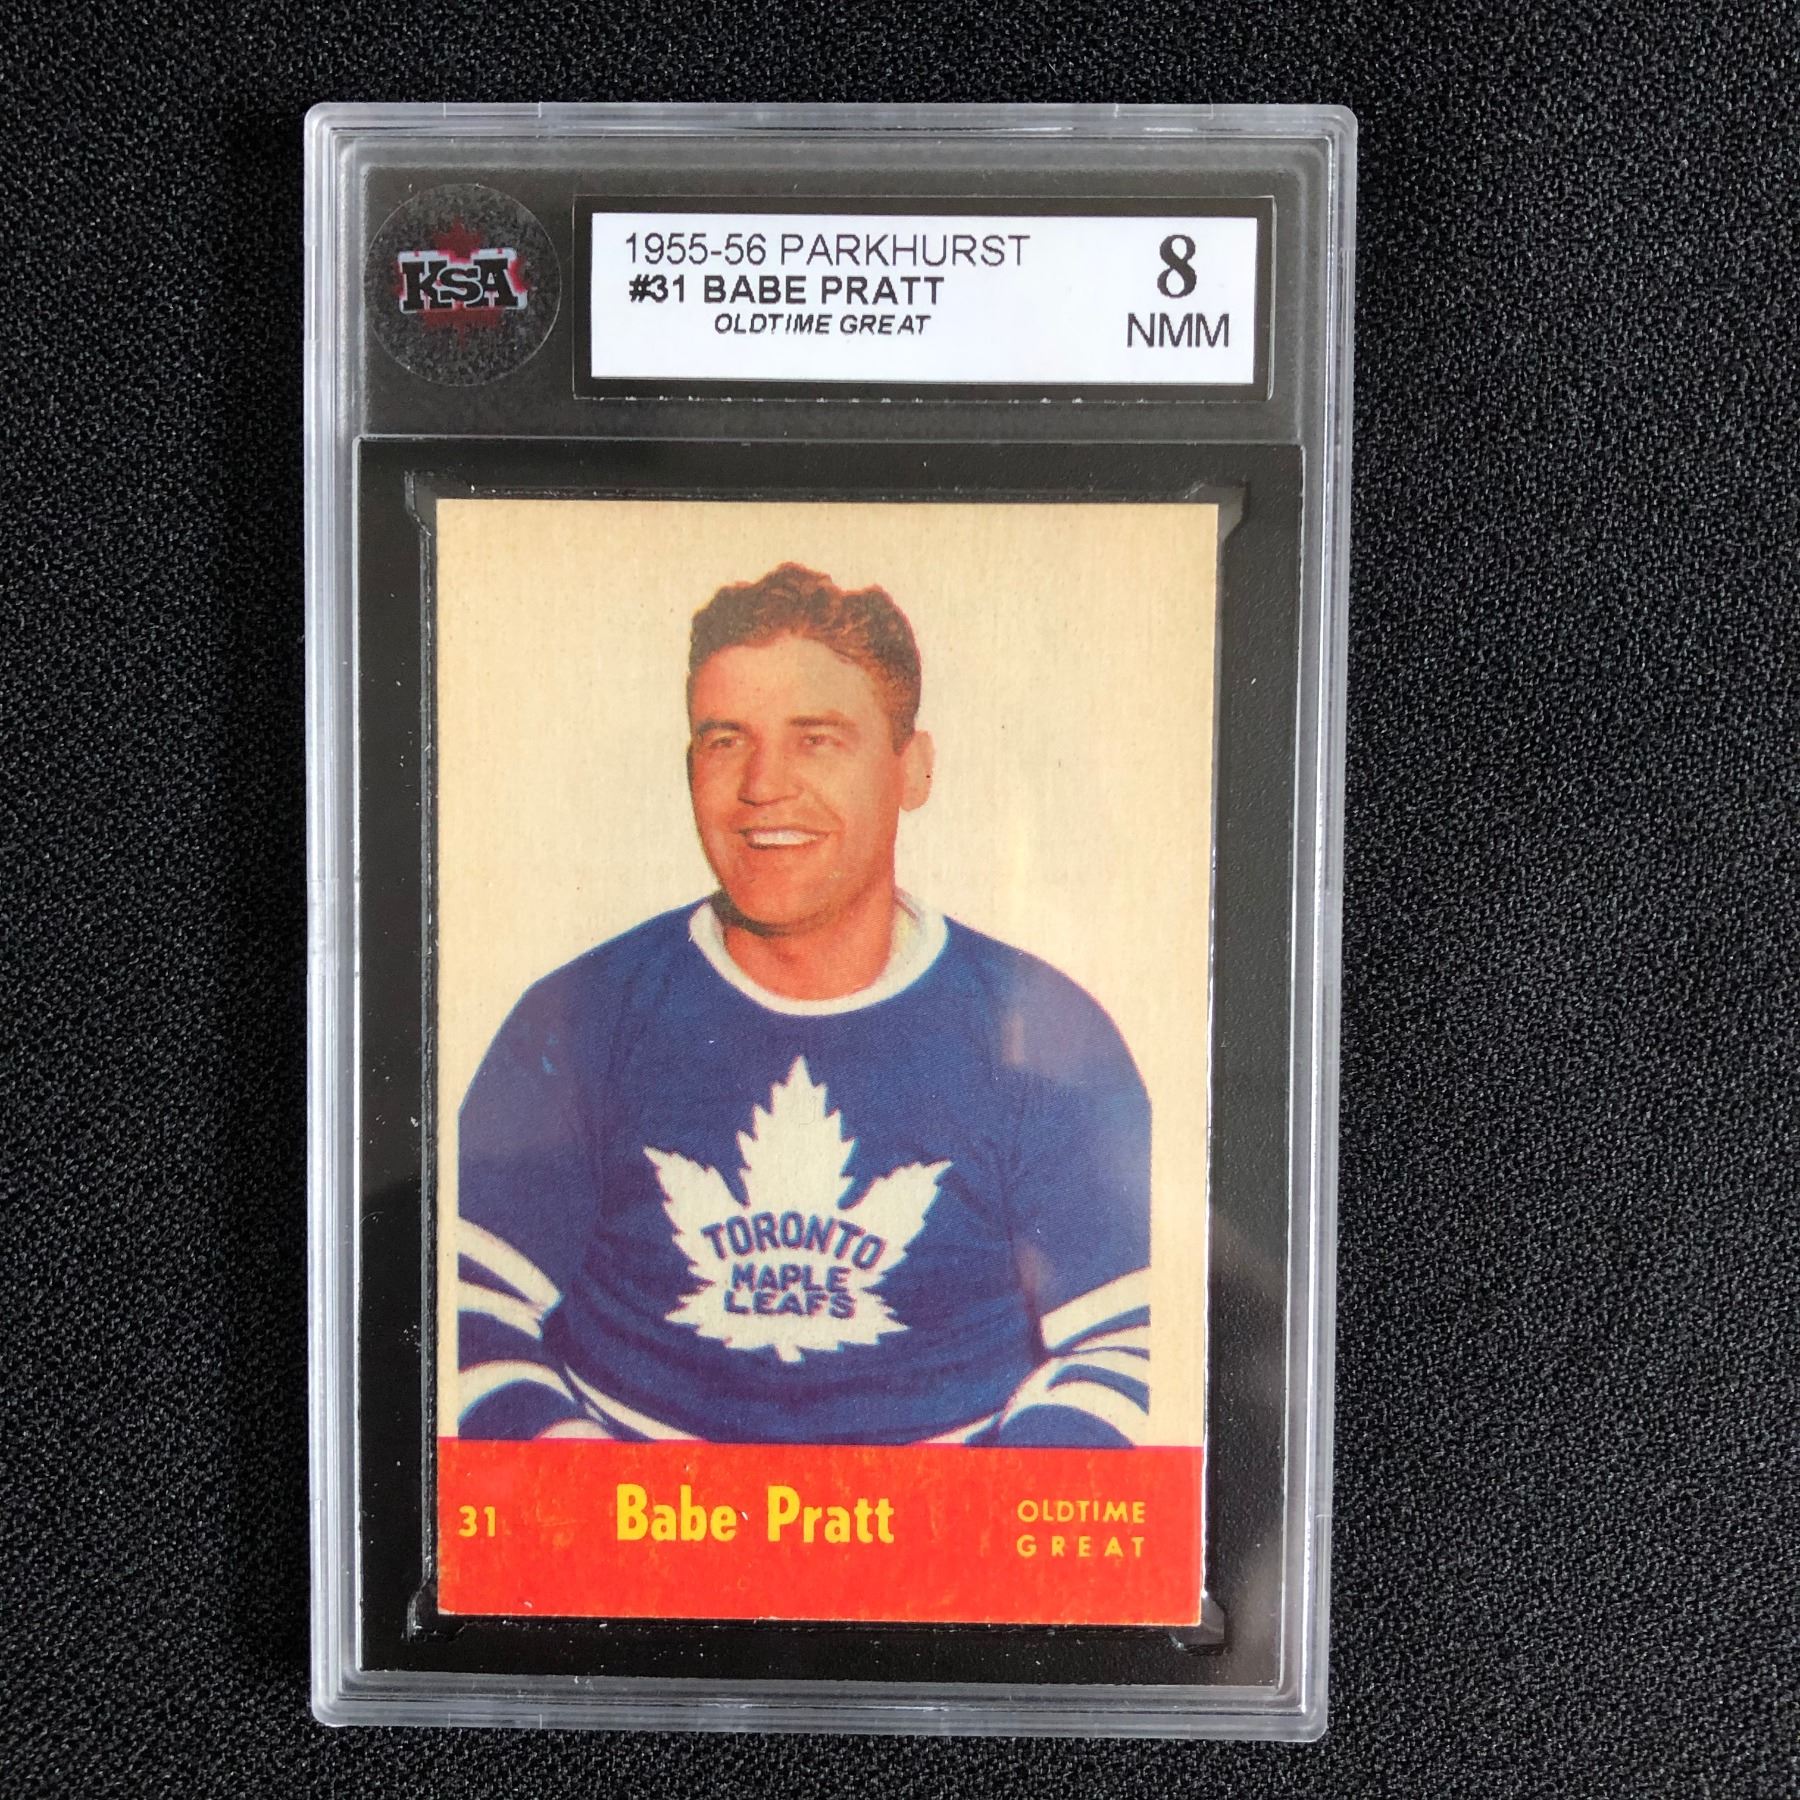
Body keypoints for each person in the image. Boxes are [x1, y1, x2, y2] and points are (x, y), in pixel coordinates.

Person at [454, 563, 1151, 1447]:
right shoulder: (585, 1012)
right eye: (725, 741)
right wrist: (601, 1504)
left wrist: (965, 1527)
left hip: (943, 1526)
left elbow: (1132, 1346)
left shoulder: (1039, 1027)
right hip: (633, 1517)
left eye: (817, 739)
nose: (763, 785)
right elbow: (460, 1310)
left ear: (913, 770)